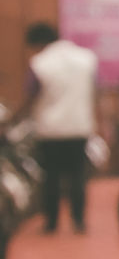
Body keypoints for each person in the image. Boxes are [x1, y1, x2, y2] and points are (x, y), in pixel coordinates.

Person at [16, 23, 98, 234]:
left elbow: (30, 95)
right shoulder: (86, 59)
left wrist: (13, 120)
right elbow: (97, 91)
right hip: (80, 127)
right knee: (78, 177)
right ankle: (79, 221)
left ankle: (51, 223)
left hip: (50, 130)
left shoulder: (40, 63)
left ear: (40, 43)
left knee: (50, 177)